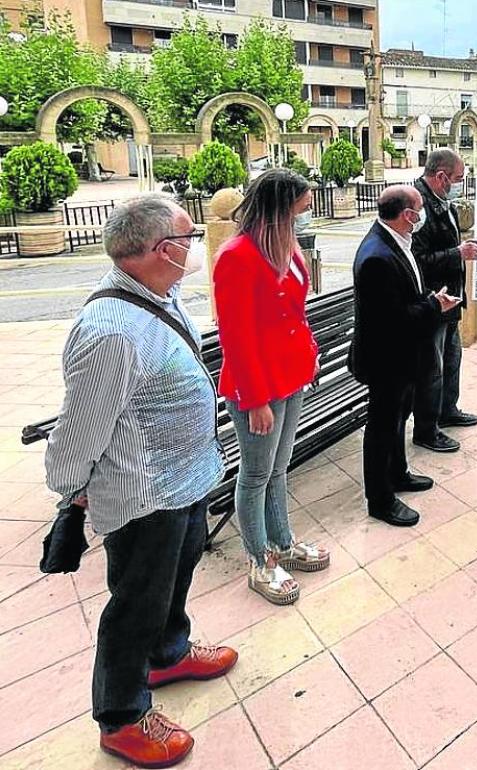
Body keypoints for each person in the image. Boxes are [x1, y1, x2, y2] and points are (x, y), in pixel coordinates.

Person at [44, 194, 238, 768]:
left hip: (186, 478)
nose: (196, 241)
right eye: (188, 233)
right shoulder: (111, 331)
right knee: (136, 601)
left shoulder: (160, 292)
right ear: (162, 250)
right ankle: (123, 714)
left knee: (176, 576)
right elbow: (78, 431)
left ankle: (169, 651)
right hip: (143, 492)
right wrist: (71, 489)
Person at [214, 169, 328, 606]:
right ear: (280, 207)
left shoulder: (287, 248)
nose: (306, 214)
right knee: (257, 473)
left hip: (292, 373)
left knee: (280, 468)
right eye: (301, 206)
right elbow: (236, 336)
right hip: (257, 384)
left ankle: (282, 542)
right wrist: (255, 399)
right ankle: (259, 560)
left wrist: (311, 354)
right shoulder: (237, 255)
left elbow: (297, 314)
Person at [350, 185, 461, 526]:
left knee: (398, 419)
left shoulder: (394, 241)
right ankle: (380, 499)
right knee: (382, 426)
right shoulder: (376, 257)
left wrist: (427, 297)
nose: (421, 216)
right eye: (418, 210)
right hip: (386, 359)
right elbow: (392, 320)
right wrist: (434, 305)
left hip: (402, 355)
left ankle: (398, 473)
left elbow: (403, 296)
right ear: (408, 216)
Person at [410, 148, 477, 453]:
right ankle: (427, 429)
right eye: (457, 179)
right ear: (441, 177)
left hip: (450, 298)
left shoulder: (442, 203)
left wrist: (461, 249)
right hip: (432, 301)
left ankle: (448, 410)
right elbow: (416, 259)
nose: (458, 184)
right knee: (431, 368)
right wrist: (457, 253)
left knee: (452, 358)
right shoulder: (416, 205)